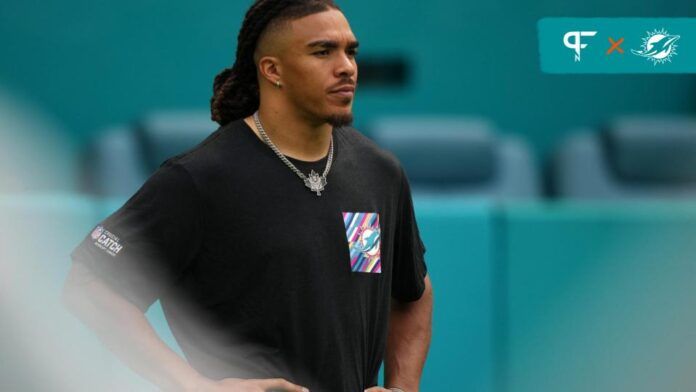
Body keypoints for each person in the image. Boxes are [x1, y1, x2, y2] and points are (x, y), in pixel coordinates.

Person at [62, 1, 433, 391]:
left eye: (350, 51)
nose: (347, 67)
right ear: (272, 70)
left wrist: (403, 387)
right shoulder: (198, 178)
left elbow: (412, 293)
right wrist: (197, 386)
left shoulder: (379, 172)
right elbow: (90, 285)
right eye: (323, 51)